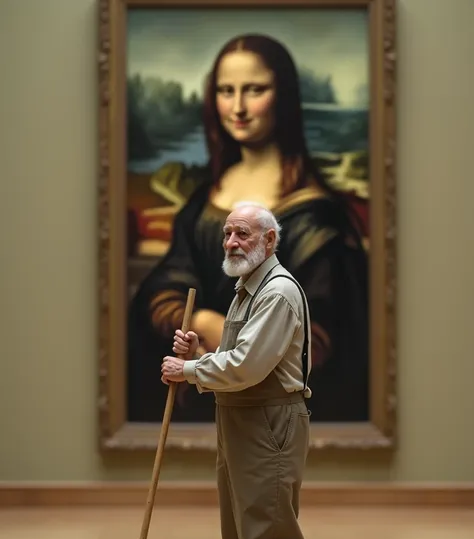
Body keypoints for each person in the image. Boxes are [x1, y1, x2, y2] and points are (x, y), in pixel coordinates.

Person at [127, 33, 369, 426]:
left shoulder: (316, 215)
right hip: (203, 389)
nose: (237, 107)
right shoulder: (204, 200)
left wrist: (242, 343)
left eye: (254, 89)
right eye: (226, 90)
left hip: (272, 410)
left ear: (284, 97)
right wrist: (198, 322)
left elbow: (326, 334)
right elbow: (163, 287)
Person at [161, 201, 312, 539]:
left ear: (269, 241)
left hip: (269, 420)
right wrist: (200, 348)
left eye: (243, 234)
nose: (231, 242)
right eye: (228, 233)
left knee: (267, 524)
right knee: (239, 526)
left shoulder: (277, 292)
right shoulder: (248, 286)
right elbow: (238, 351)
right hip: (241, 416)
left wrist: (189, 369)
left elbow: (248, 365)